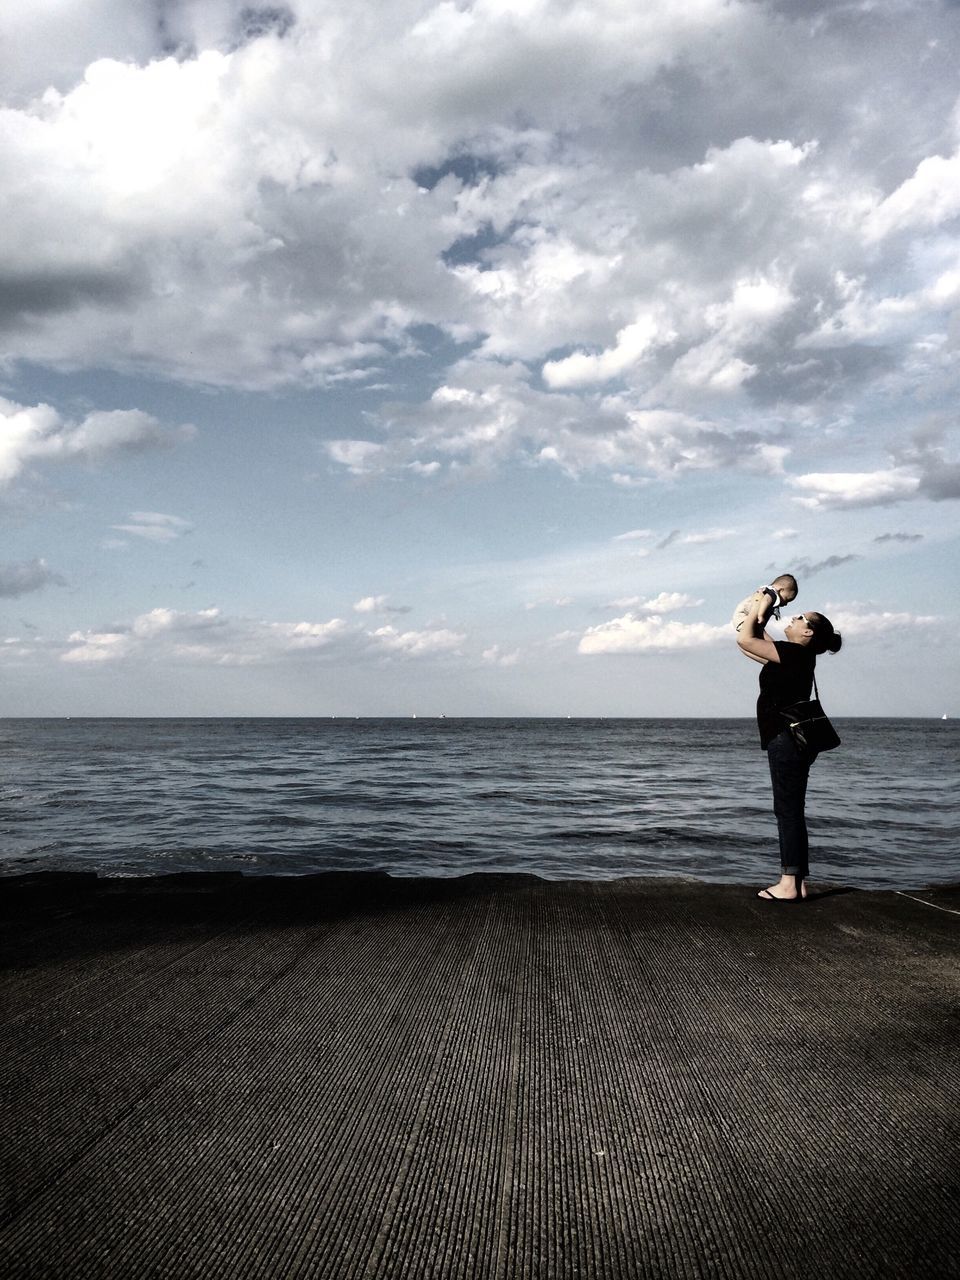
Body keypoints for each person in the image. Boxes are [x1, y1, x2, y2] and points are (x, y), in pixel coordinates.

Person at [736, 596, 842, 901]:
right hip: (791, 739)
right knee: (792, 809)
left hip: (785, 739)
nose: (793, 619)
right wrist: (760, 613)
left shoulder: (794, 654)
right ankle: (797, 882)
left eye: (799, 618)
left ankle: (788, 884)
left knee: (787, 810)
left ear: (807, 633)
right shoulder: (793, 655)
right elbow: (751, 641)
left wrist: (764, 601)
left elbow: (746, 638)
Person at [731, 573, 799, 635]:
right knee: (762, 635)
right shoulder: (773, 594)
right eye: (787, 599)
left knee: (757, 636)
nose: (786, 604)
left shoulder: (768, 591)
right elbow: (765, 601)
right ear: (781, 590)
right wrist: (760, 615)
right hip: (743, 616)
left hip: (741, 616)